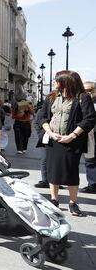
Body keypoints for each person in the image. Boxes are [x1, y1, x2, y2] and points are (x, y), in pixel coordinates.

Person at [38, 70, 96, 217]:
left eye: (57, 80)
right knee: (52, 170)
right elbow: (43, 117)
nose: (55, 82)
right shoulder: (52, 96)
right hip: (53, 140)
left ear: (66, 82)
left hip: (72, 141)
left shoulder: (82, 98)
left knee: (71, 171)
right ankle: (54, 200)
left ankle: (73, 203)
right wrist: (50, 133)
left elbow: (89, 119)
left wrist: (72, 135)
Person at [81, 80, 96, 194]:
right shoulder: (83, 102)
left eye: (90, 90)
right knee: (89, 160)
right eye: (85, 91)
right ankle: (93, 184)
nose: (87, 93)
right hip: (89, 135)